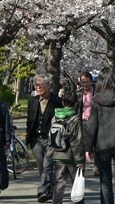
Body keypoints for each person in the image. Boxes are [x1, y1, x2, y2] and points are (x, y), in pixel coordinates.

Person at [84, 66, 115, 204]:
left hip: (102, 144)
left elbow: (92, 125)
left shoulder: (96, 99)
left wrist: (88, 147)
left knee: (105, 178)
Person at [25, 74, 63, 203]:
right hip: (36, 138)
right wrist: (29, 138)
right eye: (36, 85)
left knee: (48, 165)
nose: (39, 87)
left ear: (48, 86)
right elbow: (29, 121)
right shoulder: (32, 100)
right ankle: (50, 189)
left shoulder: (57, 101)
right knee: (41, 165)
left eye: (41, 84)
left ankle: (42, 191)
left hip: (50, 138)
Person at [51, 90, 85, 204]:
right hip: (71, 157)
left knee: (58, 184)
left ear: (63, 103)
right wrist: (80, 161)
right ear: (76, 103)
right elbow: (77, 141)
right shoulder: (75, 118)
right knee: (77, 184)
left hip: (57, 154)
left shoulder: (55, 116)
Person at [77, 71, 99, 176]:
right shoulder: (79, 93)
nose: (85, 84)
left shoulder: (96, 92)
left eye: (87, 82)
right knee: (82, 145)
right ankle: (82, 168)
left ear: (91, 82)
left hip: (94, 120)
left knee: (94, 144)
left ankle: (96, 167)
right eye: (83, 82)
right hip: (82, 121)